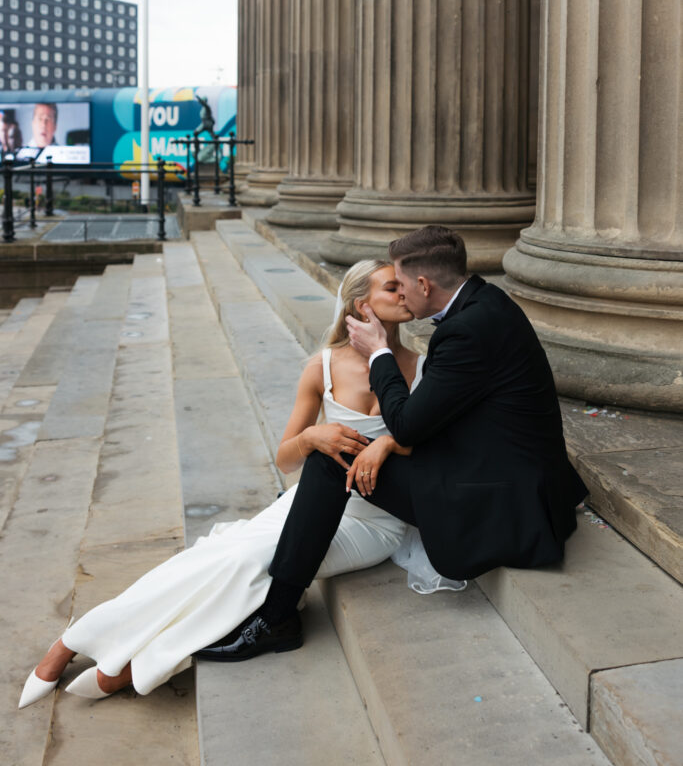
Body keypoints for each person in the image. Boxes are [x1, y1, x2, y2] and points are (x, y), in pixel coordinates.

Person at [19, 259, 458, 707]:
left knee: (250, 558)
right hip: (310, 499)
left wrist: (387, 446)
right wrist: (309, 437)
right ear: (362, 305)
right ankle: (77, 639)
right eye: (393, 288)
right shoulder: (321, 368)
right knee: (222, 554)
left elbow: (433, 453)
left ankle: (130, 664)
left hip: (373, 522)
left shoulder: (424, 371)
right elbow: (286, 460)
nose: (406, 294)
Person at [208, 225, 588, 662]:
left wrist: (379, 355)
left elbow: (407, 425)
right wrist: (385, 441)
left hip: (504, 504)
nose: (402, 296)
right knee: (334, 456)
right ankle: (277, 609)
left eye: (402, 286)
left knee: (331, 462)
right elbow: (437, 420)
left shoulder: (463, 333)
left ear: (424, 284)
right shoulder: (487, 303)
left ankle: (276, 617)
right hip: (498, 468)